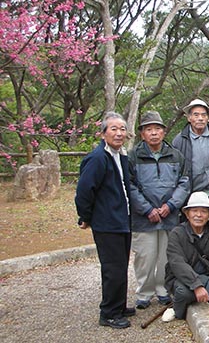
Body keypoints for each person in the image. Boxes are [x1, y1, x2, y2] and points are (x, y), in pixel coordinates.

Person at [74, 112, 135, 329]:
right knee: (113, 268)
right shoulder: (97, 158)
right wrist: (86, 216)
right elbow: (84, 191)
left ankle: (119, 305)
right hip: (107, 222)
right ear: (103, 133)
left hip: (122, 219)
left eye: (122, 129)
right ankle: (108, 312)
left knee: (121, 265)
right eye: (114, 129)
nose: (119, 133)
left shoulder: (120, 155)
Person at [128, 111, 190, 309]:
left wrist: (170, 205)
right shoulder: (133, 157)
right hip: (143, 217)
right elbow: (130, 186)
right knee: (145, 256)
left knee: (166, 255)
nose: (153, 133)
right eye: (149, 129)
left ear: (164, 132)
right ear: (142, 134)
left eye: (157, 129)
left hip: (169, 215)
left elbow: (184, 182)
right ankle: (144, 293)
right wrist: (147, 209)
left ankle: (163, 289)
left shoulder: (176, 155)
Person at [165, 192, 209, 320]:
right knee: (183, 293)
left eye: (203, 211)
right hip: (184, 279)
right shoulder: (176, 234)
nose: (198, 215)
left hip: (207, 276)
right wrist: (196, 286)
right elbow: (177, 263)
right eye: (194, 211)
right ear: (187, 214)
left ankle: (205, 294)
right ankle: (179, 308)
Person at [172, 98, 209, 209]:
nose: (200, 118)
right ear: (189, 118)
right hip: (191, 194)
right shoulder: (180, 140)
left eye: (203, 115)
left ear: (208, 118)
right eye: (196, 115)